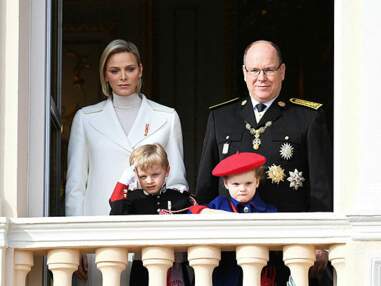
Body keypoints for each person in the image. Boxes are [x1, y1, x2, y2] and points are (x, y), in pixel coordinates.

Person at [195, 40, 333, 285]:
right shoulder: (221, 117)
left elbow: (321, 186)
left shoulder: (307, 117)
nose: (262, 77)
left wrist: (320, 241)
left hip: (289, 246)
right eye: (255, 70)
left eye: (269, 70)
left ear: (282, 72)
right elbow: (206, 186)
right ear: (244, 73)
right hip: (230, 250)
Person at [65, 39, 188, 285]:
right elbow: (76, 186)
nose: (123, 77)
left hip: (153, 235)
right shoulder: (86, 119)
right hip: (98, 230)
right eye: (114, 70)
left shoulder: (167, 117)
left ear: (140, 70)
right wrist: (74, 242)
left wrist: (175, 242)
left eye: (129, 69)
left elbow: (177, 183)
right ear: (105, 75)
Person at [109, 144, 196, 286]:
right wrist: (123, 181)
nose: (149, 181)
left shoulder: (180, 198)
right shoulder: (131, 199)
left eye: (155, 174)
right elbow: (115, 216)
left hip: (176, 267)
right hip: (142, 267)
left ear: (167, 170)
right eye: (143, 176)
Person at [191, 152, 277, 286]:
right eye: (236, 184)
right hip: (224, 274)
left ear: (257, 181)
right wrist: (206, 212)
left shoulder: (268, 210)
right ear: (226, 183)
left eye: (248, 183)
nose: (242, 189)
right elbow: (192, 214)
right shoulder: (219, 205)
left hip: (257, 273)